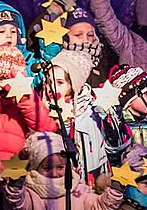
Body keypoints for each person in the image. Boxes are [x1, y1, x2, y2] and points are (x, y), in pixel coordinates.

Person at [0, 45, 57, 161]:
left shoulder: (24, 106)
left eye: (1, 79)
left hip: (15, 175)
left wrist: (23, 97)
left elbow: (47, 129)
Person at [42, 48, 110, 178]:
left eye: (60, 82)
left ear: (73, 85)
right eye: (49, 82)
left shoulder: (90, 112)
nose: (52, 88)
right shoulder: (43, 111)